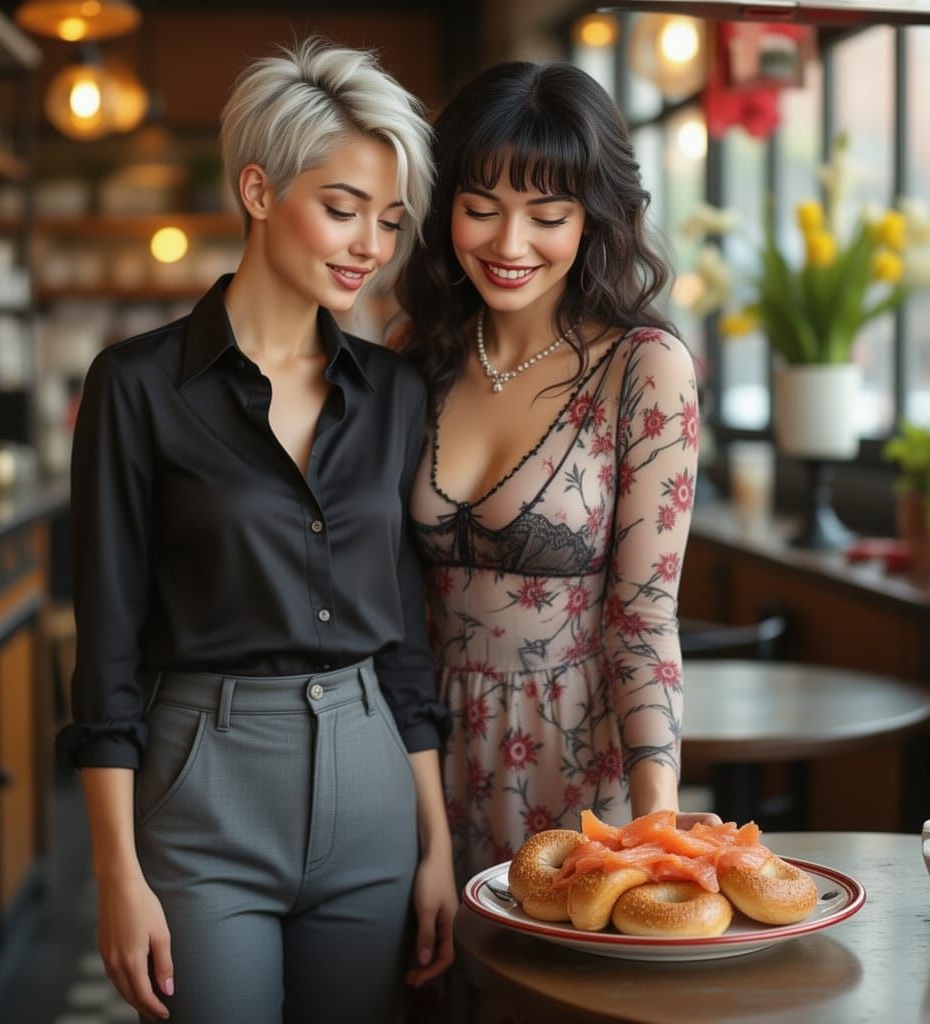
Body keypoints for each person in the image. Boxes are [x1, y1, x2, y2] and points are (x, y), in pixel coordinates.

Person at [57, 38, 456, 1024]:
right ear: (259, 189)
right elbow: (104, 641)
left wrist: (435, 840)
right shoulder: (136, 386)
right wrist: (114, 869)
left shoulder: (397, 393)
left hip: (372, 782)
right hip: (203, 786)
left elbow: (404, 640)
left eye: (391, 220)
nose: (370, 244)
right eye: (343, 208)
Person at [398, 60, 719, 888]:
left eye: (547, 215)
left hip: (573, 764)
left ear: (593, 219)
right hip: (412, 755)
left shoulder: (643, 370)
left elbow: (643, 616)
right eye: (480, 210)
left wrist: (656, 820)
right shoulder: (416, 355)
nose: (509, 246)